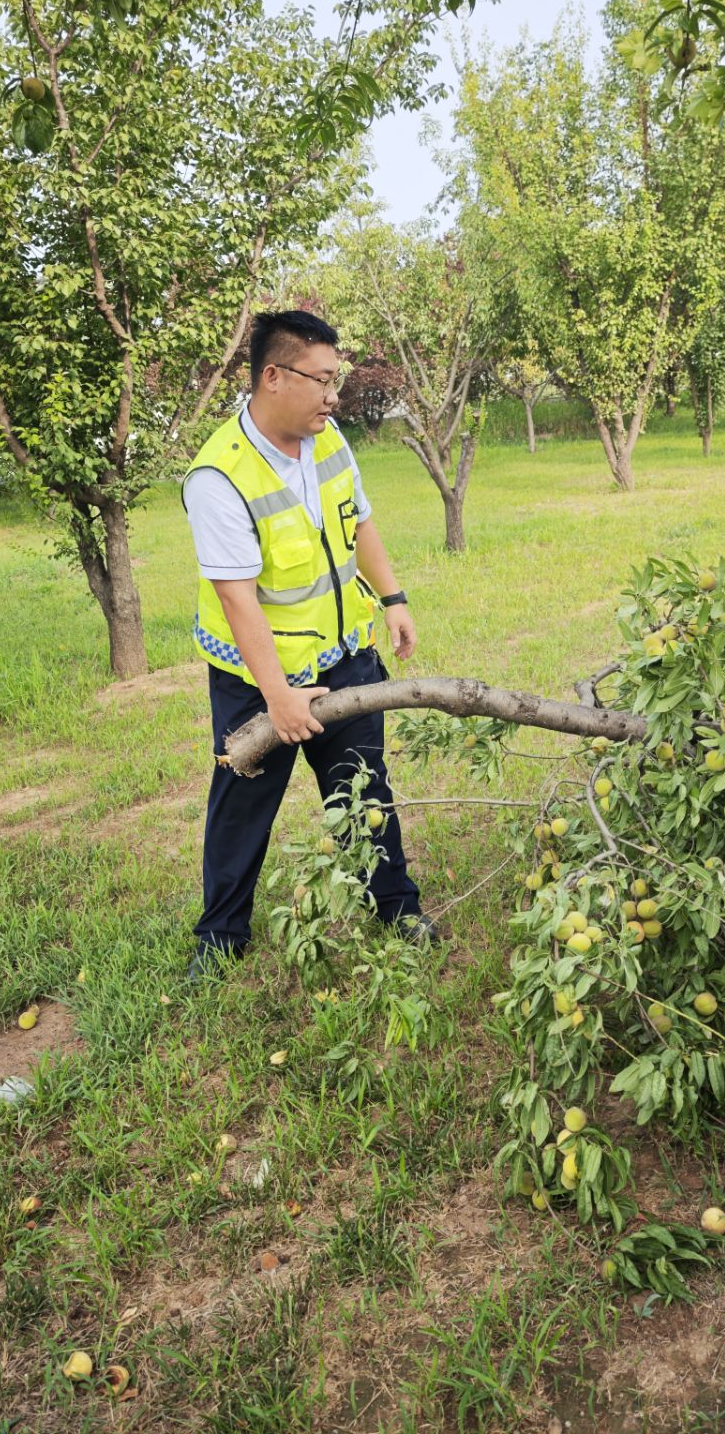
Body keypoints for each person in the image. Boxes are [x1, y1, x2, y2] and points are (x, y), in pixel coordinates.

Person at [181, 309, 434, 979]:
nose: (333, 395)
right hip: (257, 681)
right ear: (273, 376)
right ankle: (221, 938)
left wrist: (393, 599)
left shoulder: (327, 440)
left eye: (336, 379)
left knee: (363, 790)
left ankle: (396, 907)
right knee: (242, 806)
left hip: (346, 658)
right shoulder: (219, 478)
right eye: (322, 380)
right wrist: (279, 698)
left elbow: (360, 522)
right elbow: (237, 600)